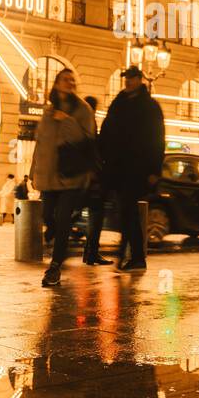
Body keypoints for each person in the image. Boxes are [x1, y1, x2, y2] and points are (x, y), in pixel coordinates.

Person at [31, 68, 97, 286]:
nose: (69, 82)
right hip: (49, 176)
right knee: (47, 216)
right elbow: (40, 144)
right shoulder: (48, 112)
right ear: (56, 84)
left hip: (72, 175)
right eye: (65, 79)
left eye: (72, 79)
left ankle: (55, 266)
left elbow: (88, 141)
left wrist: (67, 120)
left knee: (62, 220)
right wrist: (33, 170)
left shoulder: (83, 110)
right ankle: (59, 233)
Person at [98, 65, 165, 273]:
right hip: (117, 167)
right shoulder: (118, 103)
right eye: (126, 77)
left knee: (127, 209)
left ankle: (131, 255)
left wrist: (154, 169)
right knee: (125, 211)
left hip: (137, 167)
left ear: (139, 80)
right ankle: (132, 255)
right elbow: (106, 130)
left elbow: (157, 138)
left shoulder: (149, 106)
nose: (128, 81)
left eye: (132, 77)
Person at [81, 94, 109, 266]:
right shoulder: (88, 124)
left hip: (83, 177)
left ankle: (90, 252)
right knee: (96, 214)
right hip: (91, 178)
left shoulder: (82, 122)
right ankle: (91, 253)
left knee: (90, 214)